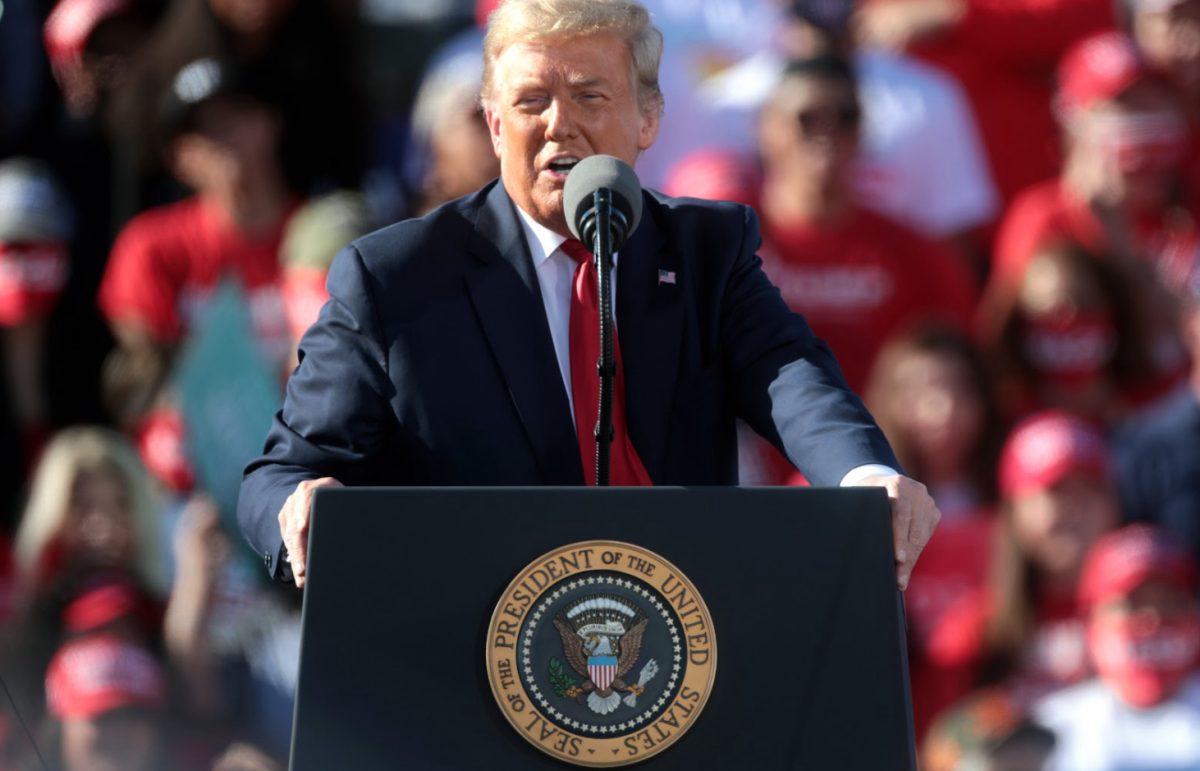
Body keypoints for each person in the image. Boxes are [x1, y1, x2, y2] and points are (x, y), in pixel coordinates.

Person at [238, 0, 941, 593]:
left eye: (590, 96)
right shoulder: (396, 275)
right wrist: (300, 506)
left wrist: (864, 475)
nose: (557, 124)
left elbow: (791, 374)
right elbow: (280, 474)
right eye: (530, 101)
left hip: (676, 640)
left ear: (648, 119)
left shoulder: (704, 251)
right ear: (493, 125)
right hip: (471, 647)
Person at [1034, 524, 1200, 770]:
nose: (1153, 619)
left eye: (1169, 603)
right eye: (1133, 604)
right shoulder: (1049, 731)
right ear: (1091, 619)